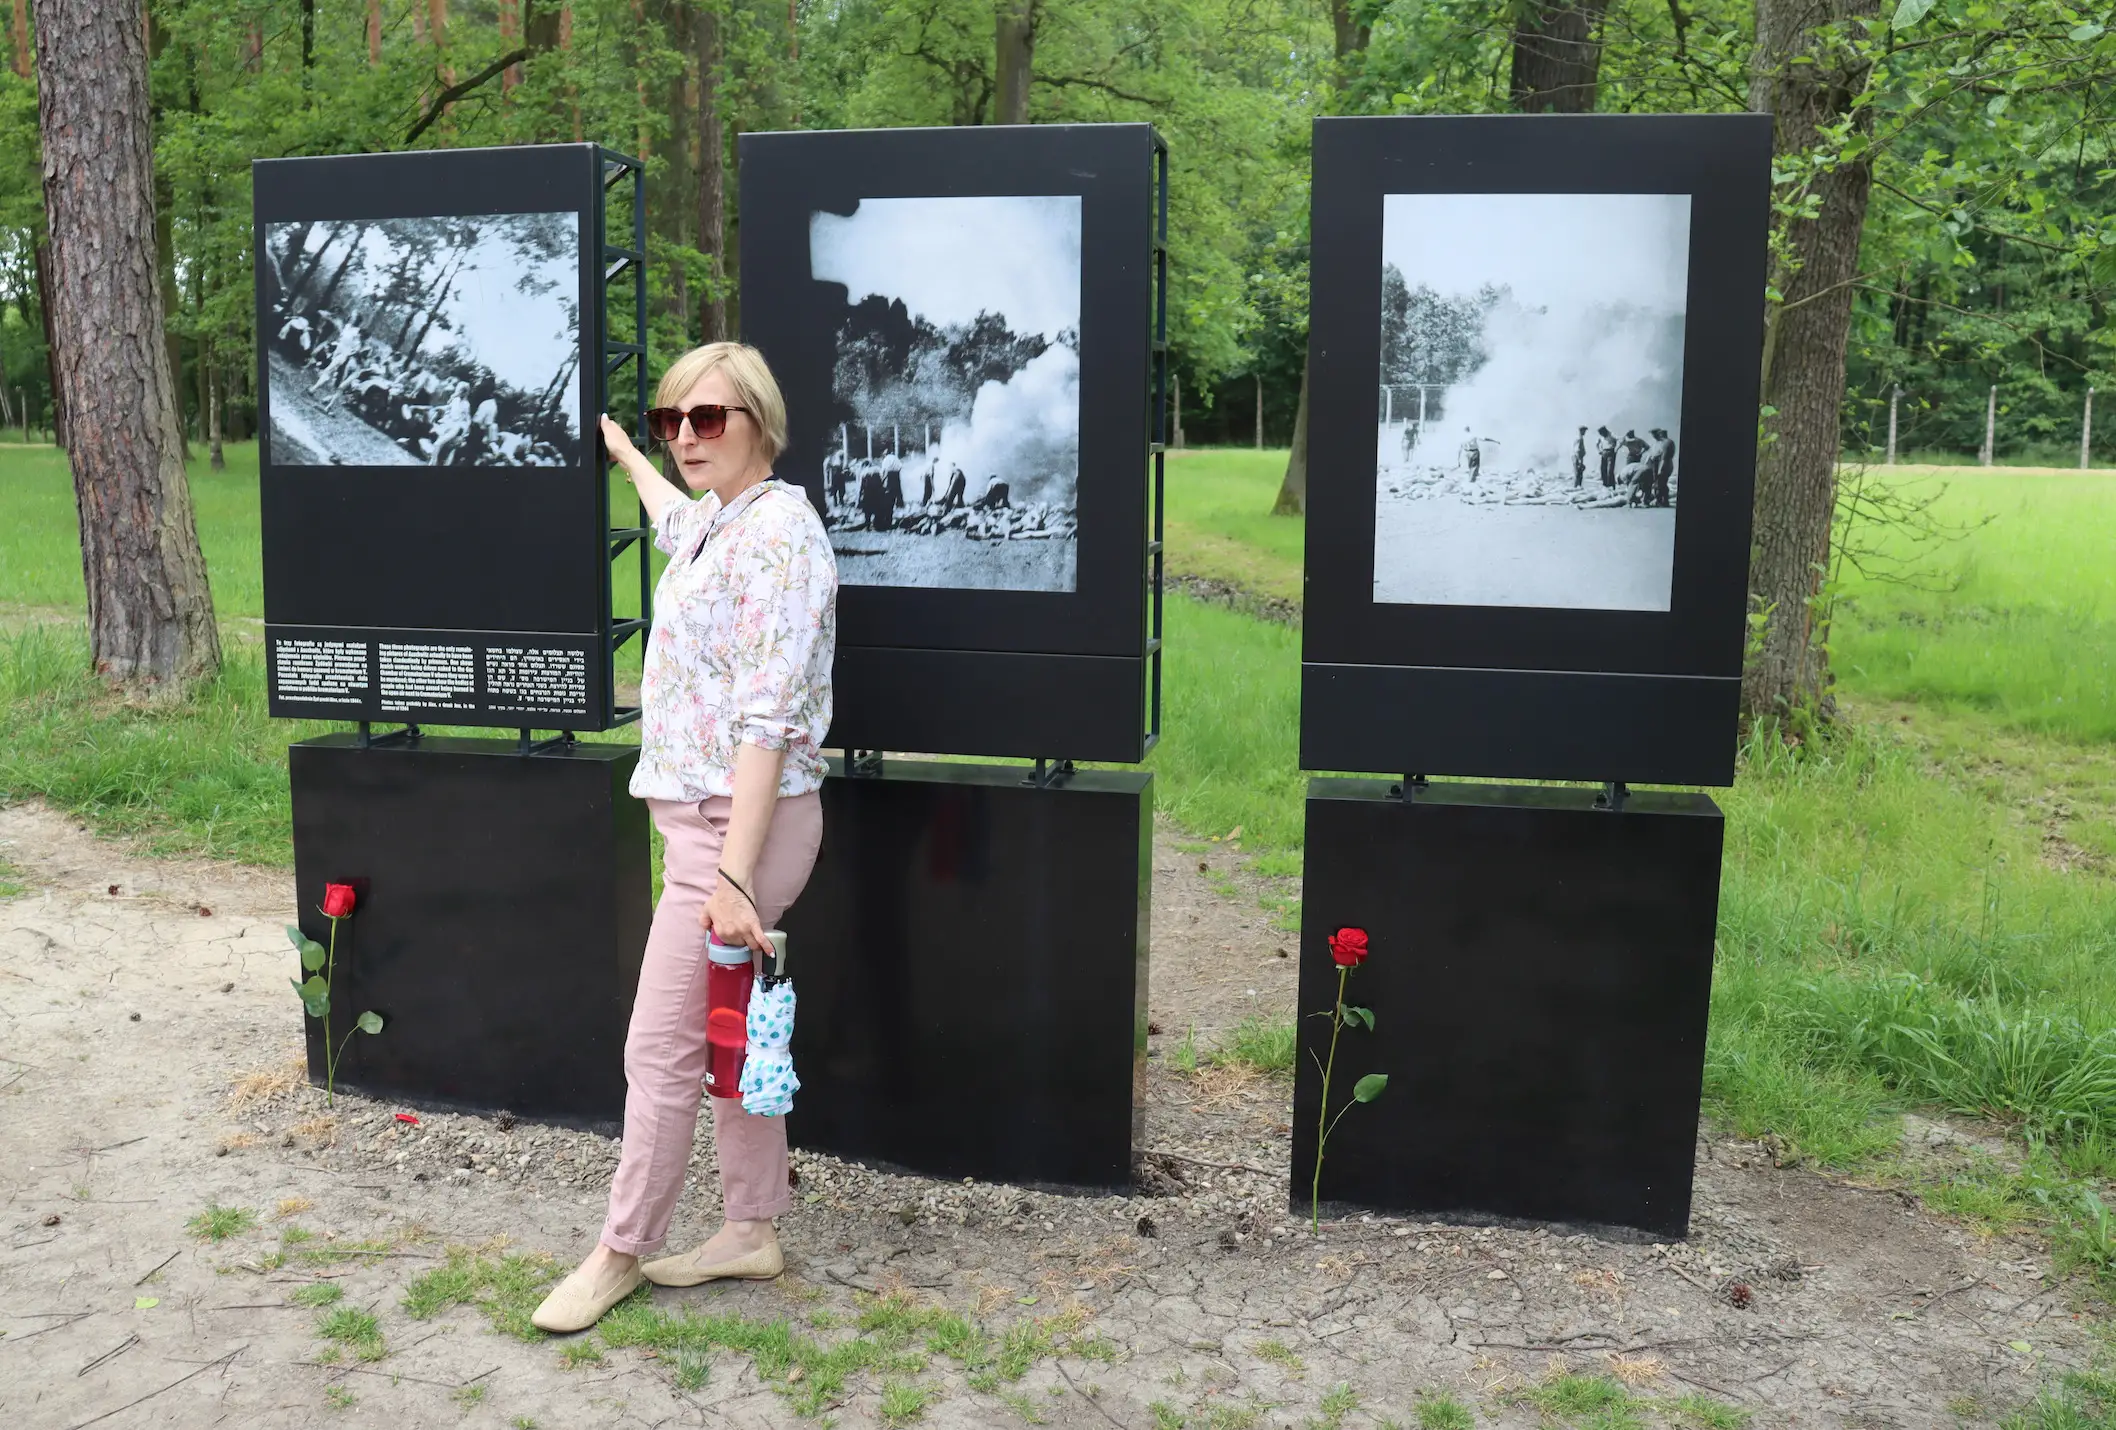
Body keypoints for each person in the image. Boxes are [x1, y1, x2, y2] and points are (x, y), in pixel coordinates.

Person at [534, 343, 837, 1335]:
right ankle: (751, 1226)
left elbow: (767, 721)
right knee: (727, 1035)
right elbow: (673, 520)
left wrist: (736, 879)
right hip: (703, 830)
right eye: (673, 419)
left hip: (733, 833)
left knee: (658, 1047)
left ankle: (619, 1249)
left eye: (709, 418)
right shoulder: (720, 521)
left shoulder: (781, 539)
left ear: (761, 420)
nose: (688, 436)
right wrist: (625, 450)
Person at [1619, 429, 1650, 505]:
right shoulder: (1638, 440)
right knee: (1636, 474)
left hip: (1632, 457)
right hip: (1636, 456)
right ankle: (1637, 495)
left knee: (1634, 477)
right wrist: (1641, 453)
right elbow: (1647, 447)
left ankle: (1631, 497)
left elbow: (1619, 445)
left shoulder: (1635, 441)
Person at [1648, 428, 1677, 508]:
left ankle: (1660, 501)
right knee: (1661, 483)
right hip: (1662, 465)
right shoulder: (1662, 443)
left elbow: (1664, 458)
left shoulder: (1665, 443)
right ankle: (1663, 501)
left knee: (1660, 483)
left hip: (1663, 465)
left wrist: (1660, 469)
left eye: (1655, 434)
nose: (1654, 436)